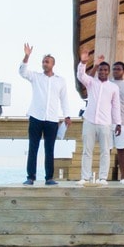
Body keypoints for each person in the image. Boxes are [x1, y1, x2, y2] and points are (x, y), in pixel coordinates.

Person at [17, 43, 72, 186]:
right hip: (36, 117)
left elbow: (64, 98)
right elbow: (22, 72)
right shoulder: (36, 76)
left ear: (53, 64)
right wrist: (27, 56)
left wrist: (67, 115)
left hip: (52, 119)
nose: (44, 64)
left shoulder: (60, 80)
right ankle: (31, 177)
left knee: (50, 149)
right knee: (33, 148)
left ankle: (49, 178)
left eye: (47, 61)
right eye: (43, 61)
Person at [76, 49, 121, 185]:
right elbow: (80, 75)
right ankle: (85, 177)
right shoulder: (91, 82)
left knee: (105, 151)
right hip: (89, 121)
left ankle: (103, 178)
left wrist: (118, 123)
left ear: (109, 72)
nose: (102, 72)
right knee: (87, 150)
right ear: (98, 71)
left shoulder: (113, 87)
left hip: (105, 123)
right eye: (100, 70)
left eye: (105, 70)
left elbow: (116, 106)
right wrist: (85, 63)